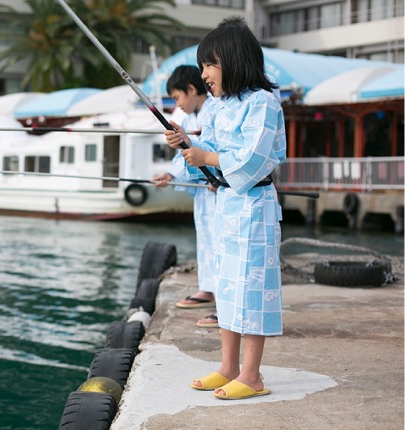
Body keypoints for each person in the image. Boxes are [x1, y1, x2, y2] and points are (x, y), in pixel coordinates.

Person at [164, 16, 286, 400]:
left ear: (233, 60)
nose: (204, 76)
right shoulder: (216, 107)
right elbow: (206, 167)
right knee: (227, 288)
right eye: (201, 67)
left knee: (252, 290)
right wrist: (187, 148)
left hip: (255, 209)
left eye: (208, 65)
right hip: (227, 208)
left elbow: (252, 160)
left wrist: (207, 156)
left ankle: (252, 375)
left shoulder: (263, 102)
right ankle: (228, 367)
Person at [151, 65, 219, 329]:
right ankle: (207, 288)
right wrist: (170, 174)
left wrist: (220, 177)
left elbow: (213, 149)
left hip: (218, 189)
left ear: (192, 90)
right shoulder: (190, 119)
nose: (178, 105)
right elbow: (184, 155)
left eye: (178, 98)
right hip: (204, 192)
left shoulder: (214, 110)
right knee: (205, 240)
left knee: (220, 244)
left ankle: (221, 302)